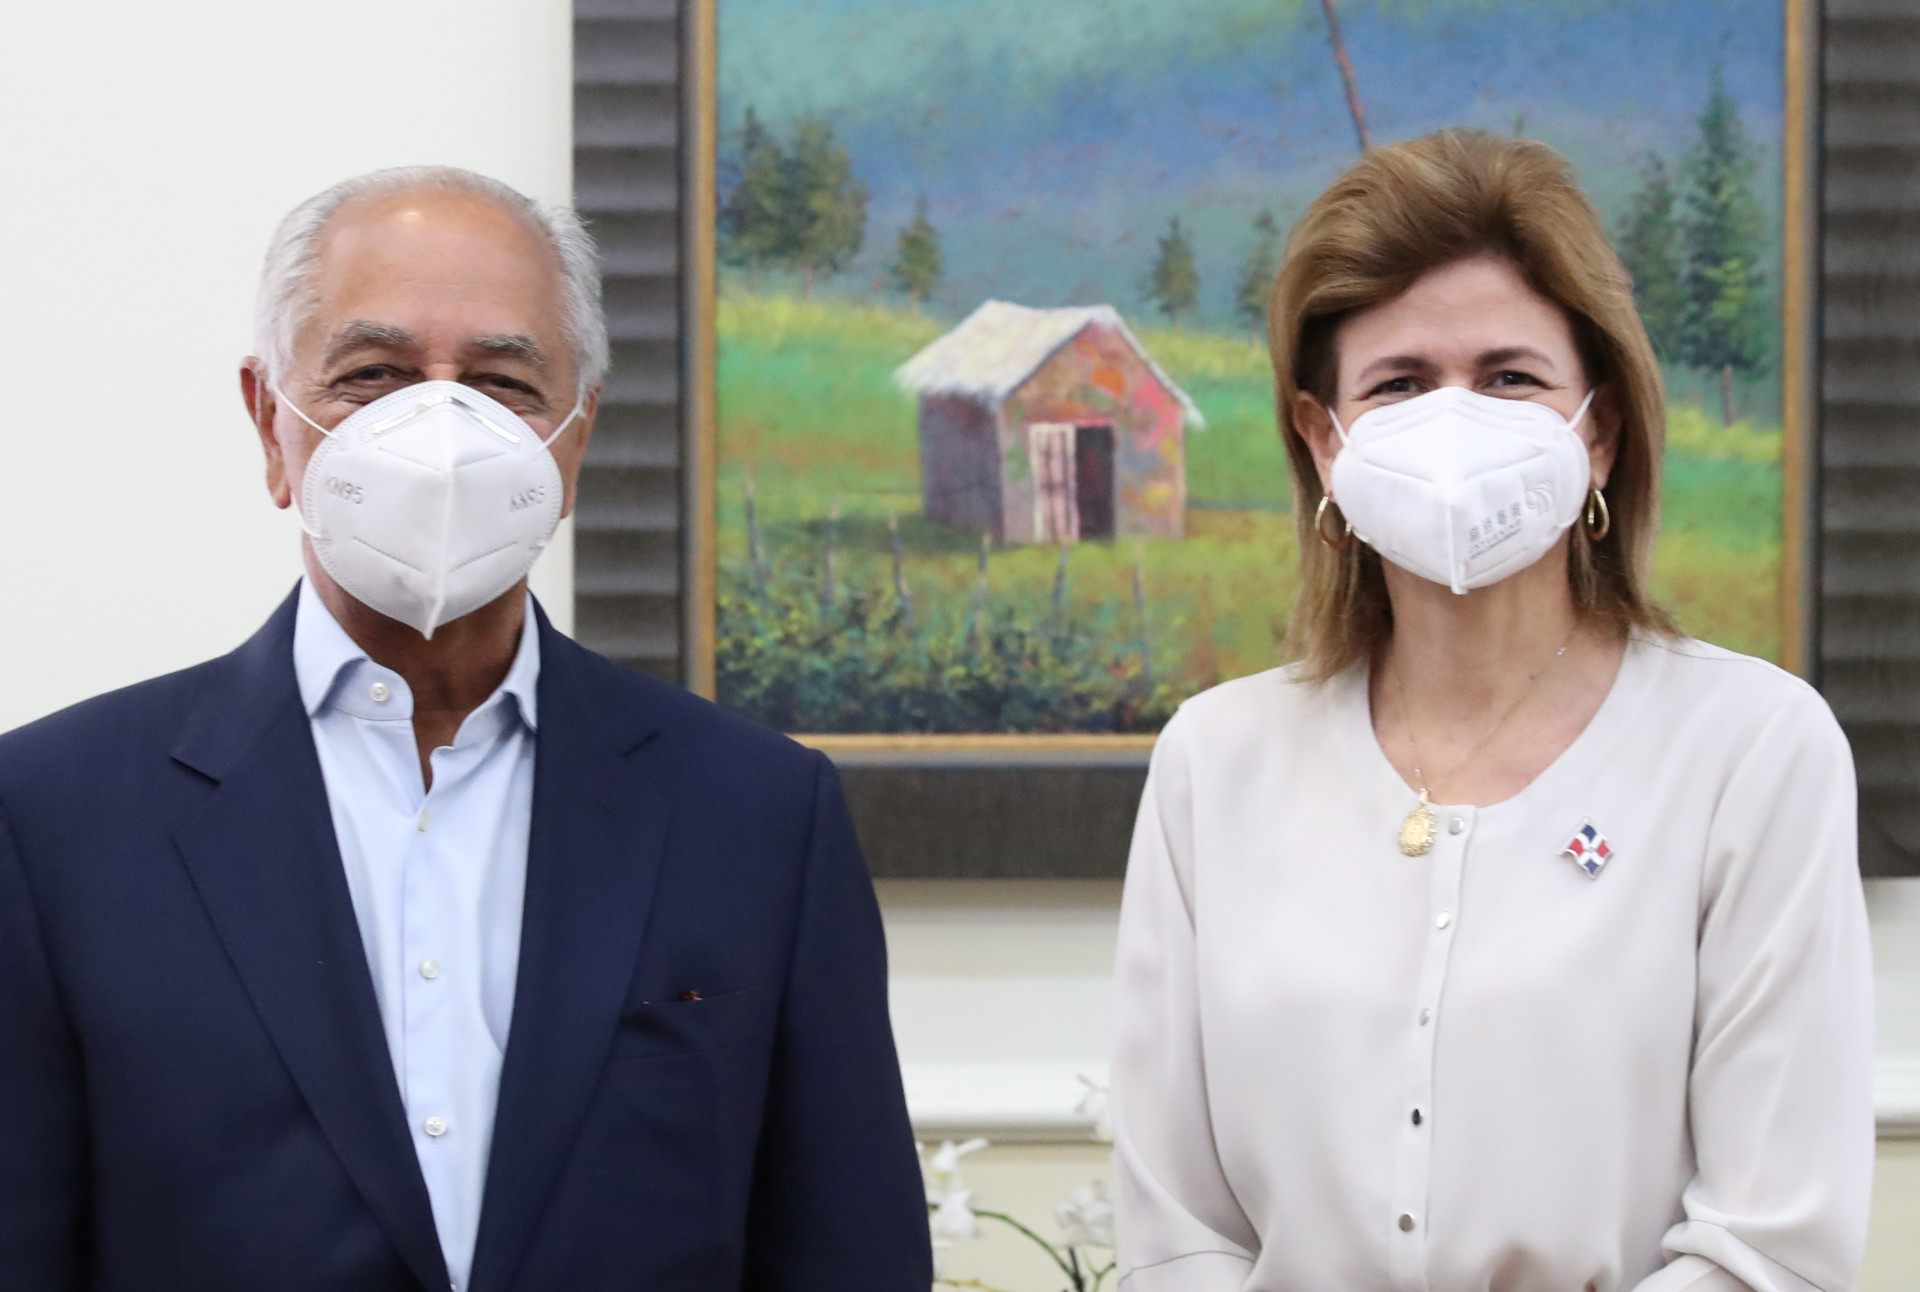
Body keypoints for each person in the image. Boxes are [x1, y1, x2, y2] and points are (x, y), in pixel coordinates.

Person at [0, 167, 931, 1292]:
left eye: (501, 383)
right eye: (373, 376)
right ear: (269, 421)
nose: (438, 432)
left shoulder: (759, 813)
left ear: (576, 434)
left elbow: (849, 1250)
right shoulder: (51, 818)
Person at [1110, 130, 1874, 1292]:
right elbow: (1176, 1231)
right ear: (1322, 439)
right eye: (1400, 384)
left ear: (1599, 430)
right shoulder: (1217, 760)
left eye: (1511, 377)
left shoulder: (1752, 747)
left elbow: (1771, 1245)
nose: (1455, 425)